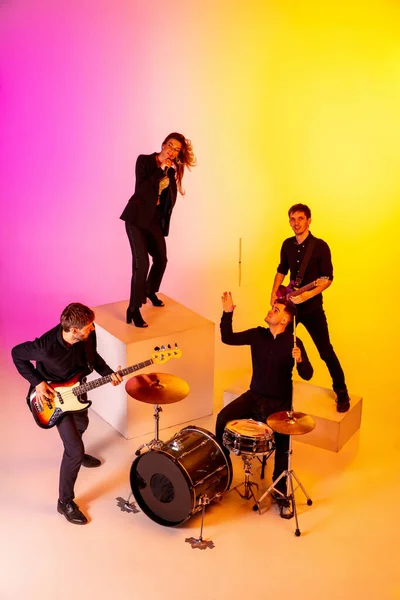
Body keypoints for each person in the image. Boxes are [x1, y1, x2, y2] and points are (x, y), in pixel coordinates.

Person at [11, 303, 123, 525]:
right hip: (52, 399)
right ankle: (65, 502)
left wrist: (109, 374)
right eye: (88, 327)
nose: (92, 328)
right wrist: (39, 382)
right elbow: (17, 353)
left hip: (75, 394)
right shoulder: (45, 347)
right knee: (74, 449)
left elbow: (94, 358)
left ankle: (77, 456)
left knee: (83, 423)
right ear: (74, 330)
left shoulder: (88, 335)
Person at [215, 292, 313, 516]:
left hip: (279, 403)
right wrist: (227, 313)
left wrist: (301, 360)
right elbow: (227, 337)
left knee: (283, 447)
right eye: (273, 308)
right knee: (222, 418)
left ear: (286, 320)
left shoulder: (294, 342)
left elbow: (307, 375)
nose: (271, 311)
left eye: (276, 310)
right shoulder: (257, 335)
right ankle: (222, 470)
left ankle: (280, 494)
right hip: (254, 396)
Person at [270, 203, 350, 412]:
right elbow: (281, 270)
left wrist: (307, 295)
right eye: (292, 219)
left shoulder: (320, 246)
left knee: (325, 350)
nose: (296, 223)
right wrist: (274, 293)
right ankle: (277, 388)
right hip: (290, 308)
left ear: (309, 220)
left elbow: (327, 279)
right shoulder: (287, 245)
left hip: (312, 308)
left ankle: (341, 392)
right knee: (279, 344)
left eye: (300, 218)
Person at [120, 132, 196, 328]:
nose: (172, 151)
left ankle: (149, 289)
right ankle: (134, 308)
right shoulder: (144, 161)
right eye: (170, 146)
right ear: (163, 145)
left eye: (177, 150)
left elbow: (168, 199)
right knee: (141, 264)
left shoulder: (172, 170)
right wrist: (160, 167)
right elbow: (142, 189)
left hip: (153, 220)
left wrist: (169, 174)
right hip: (136, 219)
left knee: (161, 259)